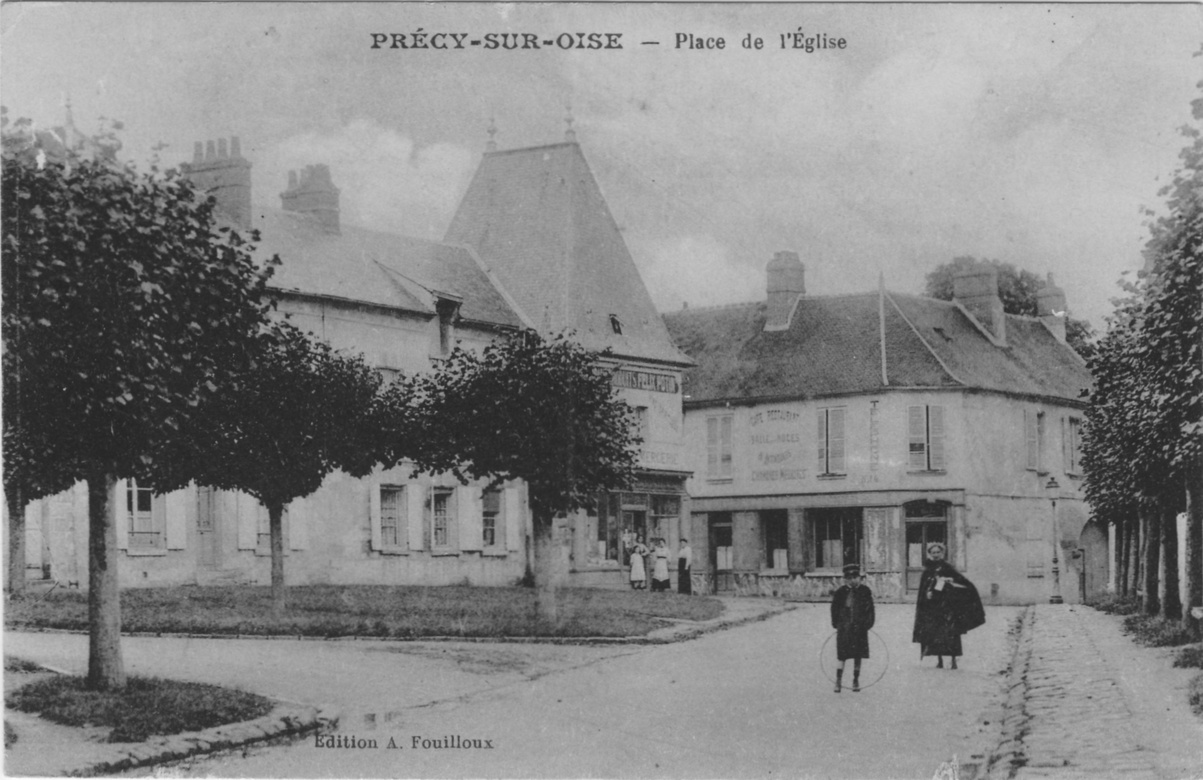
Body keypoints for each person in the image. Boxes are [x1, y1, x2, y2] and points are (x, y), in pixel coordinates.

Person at [912, 542, 986, 669]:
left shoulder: (947, 567)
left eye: (938, 552)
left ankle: (953, 661)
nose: (936, 555)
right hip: (933, 608)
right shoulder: (927, 570)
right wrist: (926, 595)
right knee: (936, 633)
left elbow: (963, 582)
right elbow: (924, 589)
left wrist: (950, 581)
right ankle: (939, 660)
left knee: (951, 633)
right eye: (933, 552)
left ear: (942, 553)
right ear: (929, 554)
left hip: (947, 607)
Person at [830, 563, 875, 693]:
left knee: (858, 654)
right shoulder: (840, 593)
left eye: (856, 577)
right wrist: (836, 624)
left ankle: (855, 680)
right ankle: (838, 681)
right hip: (844, 629)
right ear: (845, 579)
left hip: (860, 628)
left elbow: (870, 610)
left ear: (860, 578)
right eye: (849, 578)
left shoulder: (865, 591)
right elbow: (834, 609)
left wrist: (868, 624)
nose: (853, 580)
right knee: (842, 655)